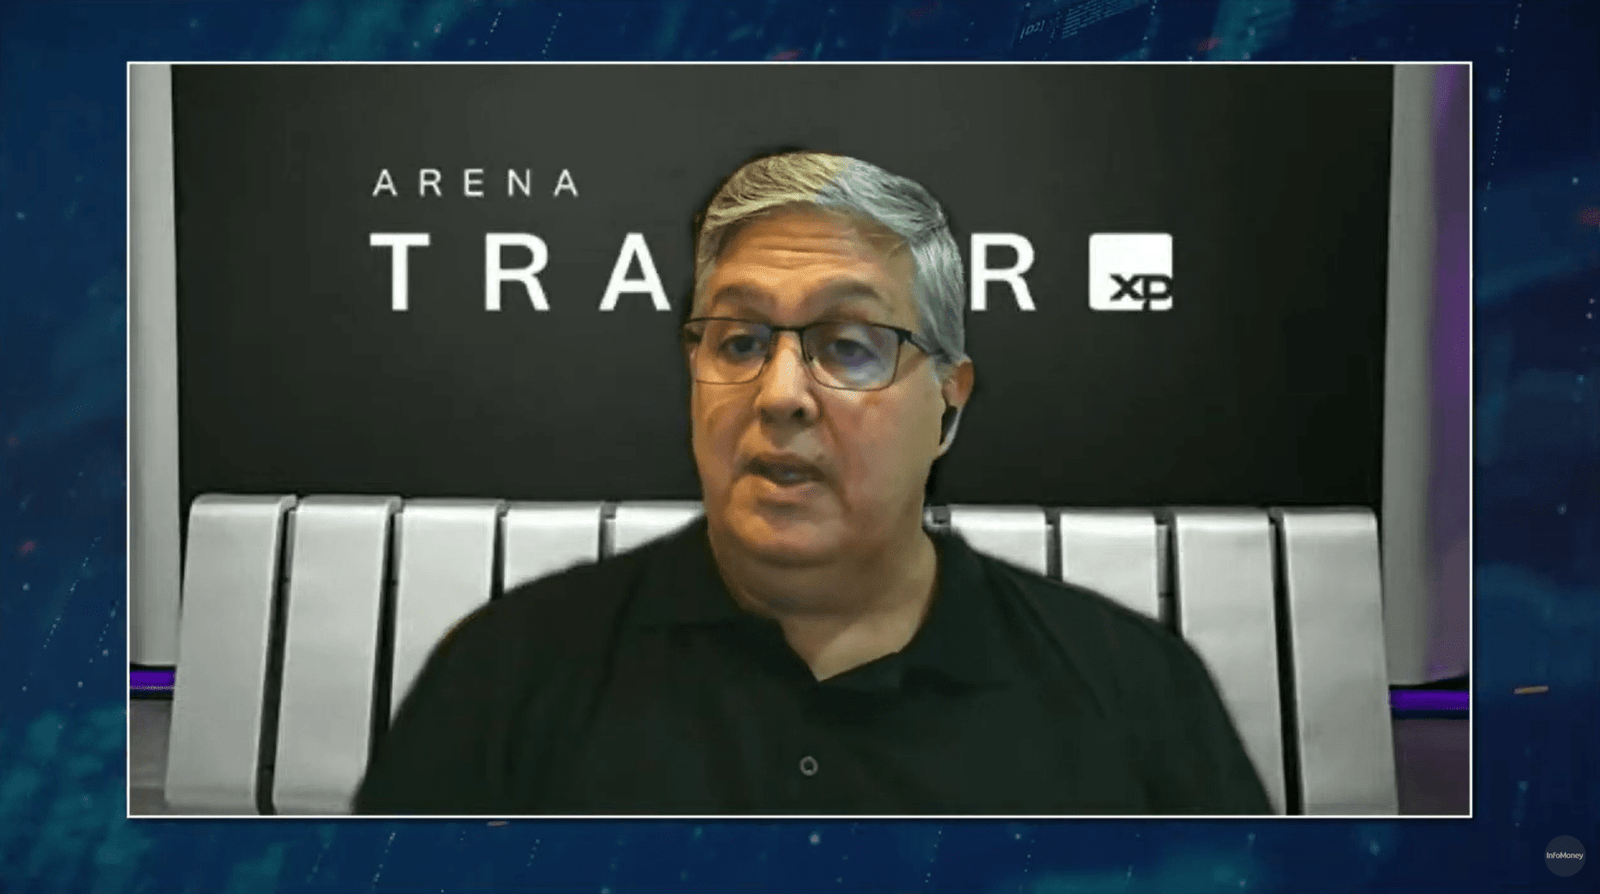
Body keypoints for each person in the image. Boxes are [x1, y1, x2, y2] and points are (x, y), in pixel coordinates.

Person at [354, 151, 1271, 815]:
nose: (781, 394)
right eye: (740, 342)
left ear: (947, 405)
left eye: (850, 346)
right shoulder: (506, 678)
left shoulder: (1134, 695)